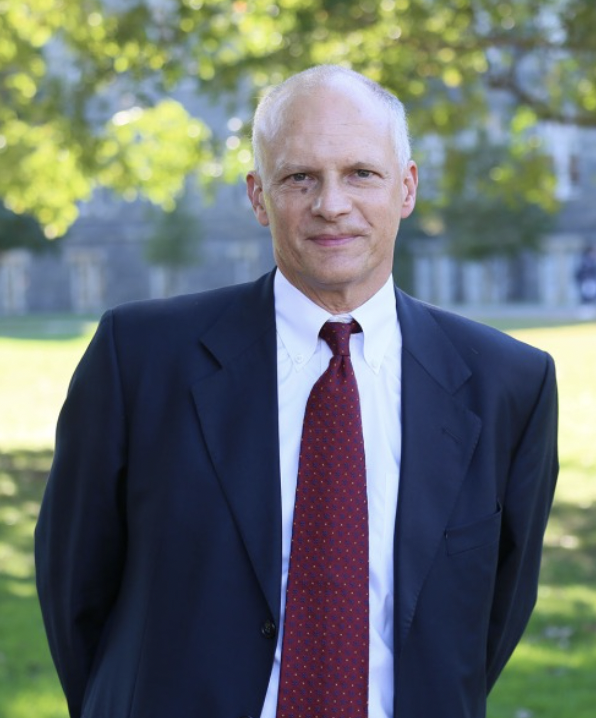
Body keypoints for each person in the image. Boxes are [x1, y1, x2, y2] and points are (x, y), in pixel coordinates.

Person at [35, 65, 558, 718]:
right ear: (259, 196)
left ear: (406, 187)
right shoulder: (139, 359)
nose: (331, 204)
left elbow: (493, 617)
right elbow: (74, 589)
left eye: (361, 173)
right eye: (300, 178)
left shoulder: (509, 384)